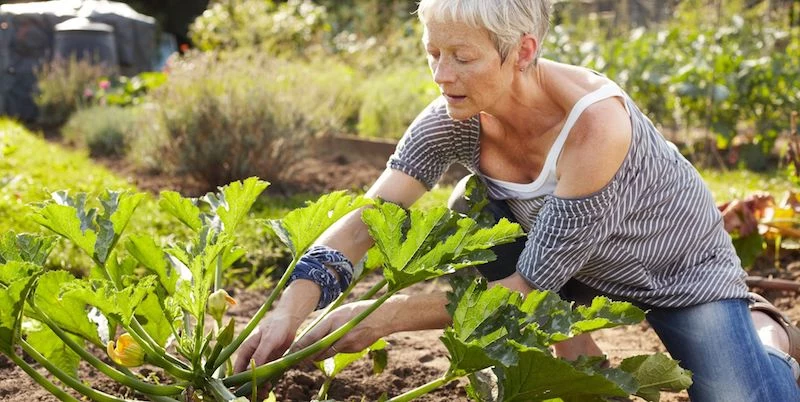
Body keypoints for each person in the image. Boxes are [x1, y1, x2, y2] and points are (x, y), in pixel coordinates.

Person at [234, 1, 800, 400]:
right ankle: (581, 365)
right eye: (432, 53)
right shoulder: (451, 119)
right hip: (562, 261)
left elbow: (528, 288)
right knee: (470, 206)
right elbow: (368, 221)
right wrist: (290, 304)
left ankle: (766, 330)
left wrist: (383, 316)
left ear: (522, 50)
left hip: (674, 269)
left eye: (461, 56)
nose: (440, 74)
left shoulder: (594, 127)